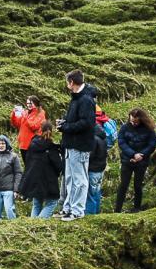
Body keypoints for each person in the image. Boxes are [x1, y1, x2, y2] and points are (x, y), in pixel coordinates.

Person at [57, 70, 97, 221]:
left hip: (80, 145)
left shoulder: (86, 99)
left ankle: (78, 210)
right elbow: (76, 119)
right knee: (70, 178)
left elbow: (86, 123)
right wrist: (64, 122)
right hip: (70, 144)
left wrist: (66, 127)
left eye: (68, 82)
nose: (67, 85)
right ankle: (68, 208)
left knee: (79, 179)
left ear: (72, 82)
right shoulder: (76, 98)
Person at [114, 108, 156, 213]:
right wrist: (132, 154)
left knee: (138, 185)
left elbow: (152, 144)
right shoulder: (124, 128)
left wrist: (142, 155)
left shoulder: (148, 129)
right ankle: (117, 209)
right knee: (123, 184)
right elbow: (121, 142)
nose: (133, 123)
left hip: (142, 161)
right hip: (127, 159)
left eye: (136, 121)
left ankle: (137, 208)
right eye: (131, 120)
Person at [18, 121, 63, 218]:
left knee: (37, 203)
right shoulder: (51, 148)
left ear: (40, 130)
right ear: (51, 131)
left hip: (34, 180)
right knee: (52, 202)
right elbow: (58, 166)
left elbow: (28, 160)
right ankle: (39, 223)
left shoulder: (33, 145)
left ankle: (32, 225)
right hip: (49, 181)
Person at [86, 108, 110, 215]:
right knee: (96, 193)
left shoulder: (93, 139)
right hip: (100, 169)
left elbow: (90, 155)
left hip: (92, 169)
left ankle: (90, 215)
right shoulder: (103, 137)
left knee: (90, 194)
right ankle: (97, 212)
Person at [9, 96, 46, 163]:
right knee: (27, 166)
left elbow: (35, 126)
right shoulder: (25, 112)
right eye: (27, 103)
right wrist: (14, 114)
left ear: (36, 103)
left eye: (31, 103)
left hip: (33, 144)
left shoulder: (41, 113)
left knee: (32, 167)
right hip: (23, 144)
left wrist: (25, 117)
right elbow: (16, 124)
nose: (29, 105)